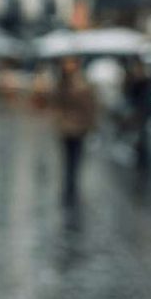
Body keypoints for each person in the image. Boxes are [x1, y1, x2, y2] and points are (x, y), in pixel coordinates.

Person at [50, 57, 98, 204]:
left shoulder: (82, 84)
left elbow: (90, 106)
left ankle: (71, 186)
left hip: (78, 128)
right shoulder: (63, 83)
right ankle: (69, 186)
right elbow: (56, 103)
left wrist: (90, 124)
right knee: (68, 158)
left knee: (75, 159)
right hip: (67, 127)